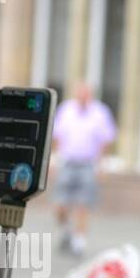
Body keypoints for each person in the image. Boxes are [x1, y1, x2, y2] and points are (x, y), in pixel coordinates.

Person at [51, 83, 117, 257]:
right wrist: (53, 160)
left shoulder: (100, 113)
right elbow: (57, 137)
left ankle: (79, 240)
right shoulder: (66, 110)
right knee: (60, 204)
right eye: (80, 94)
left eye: (85, 94)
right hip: (67, 162)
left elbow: (105, 141)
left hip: (88, 164)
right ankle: (65, 230)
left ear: (90, 95)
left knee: (83, 204)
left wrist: (102, 165)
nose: (82, 97)